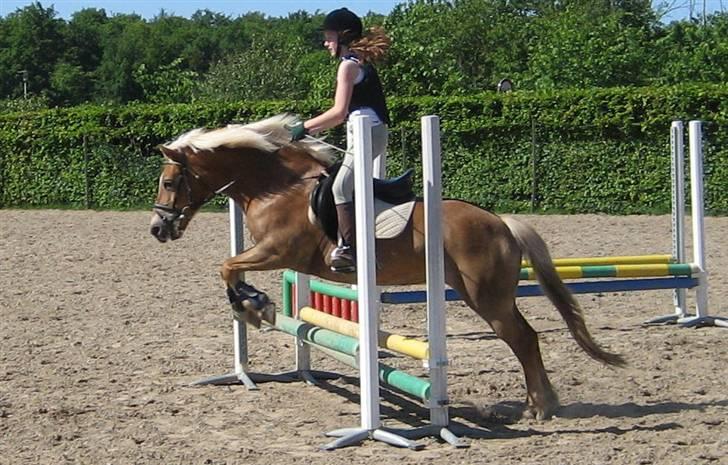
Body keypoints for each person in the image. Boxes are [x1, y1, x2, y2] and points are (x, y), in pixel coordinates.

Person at [289, 7, 391, 273]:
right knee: (334, 180)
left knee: (340, 189)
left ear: (343, 37)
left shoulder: (348, 66)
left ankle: (351, 250)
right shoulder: (357, 62)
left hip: (368, 134)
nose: (326, 42)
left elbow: (338, 113)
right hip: (368, 132)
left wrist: (304, 128)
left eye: (329, 37)